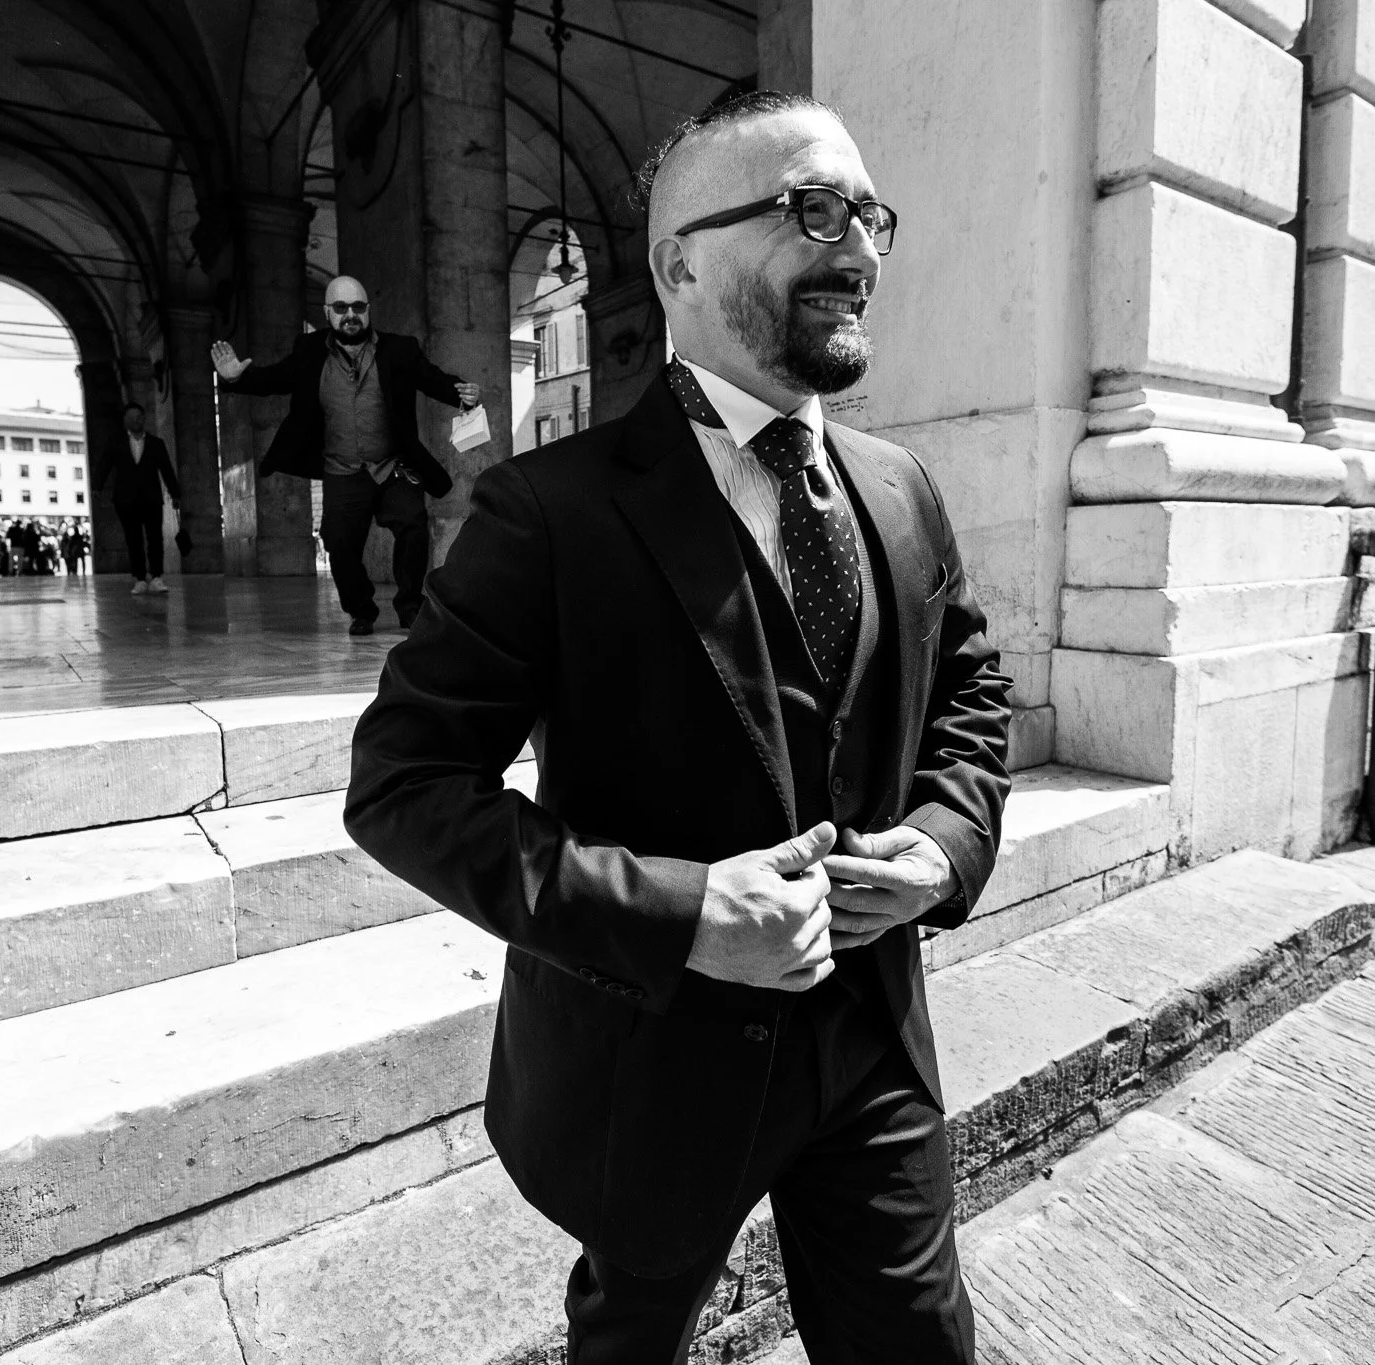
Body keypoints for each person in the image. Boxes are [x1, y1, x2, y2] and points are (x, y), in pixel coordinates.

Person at [344, 92, 1010, 1363]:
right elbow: (403, 788)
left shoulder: (899, 485)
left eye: (867, 213)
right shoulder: (547, 513)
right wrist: (683, 913)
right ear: (677, 264)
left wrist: (941, 845)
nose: (856, 245)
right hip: (649, 1067)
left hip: (869, 1044)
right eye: (809, 209)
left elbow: (968, 699)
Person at [211, 275, 481, 635]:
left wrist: (463, 394)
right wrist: (235, 379)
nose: (350, 314)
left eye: (357, 307)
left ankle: (410, 606)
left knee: (414, 525)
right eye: (340, 308)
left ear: (368, 311)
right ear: (327, 312)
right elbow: (274, 379)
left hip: (393, 467)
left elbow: (431, 378)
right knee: (338, 541)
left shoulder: (399, 349)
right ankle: (361, 610)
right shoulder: (308, 352)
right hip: (341, 469)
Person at [106, 401, 181, 595]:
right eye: (131, 418)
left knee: (155, 538)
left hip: (151, 499)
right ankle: (139, 578)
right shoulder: (116, 442)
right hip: (126, 500)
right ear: (125, 421)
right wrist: (97, 488)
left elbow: (167, 469)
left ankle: (156, 577)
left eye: (139, 417)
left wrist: (175, 493)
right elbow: (104, 466)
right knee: (134, 540)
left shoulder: (156, 443)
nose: (136, 421)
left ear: (144, 419)